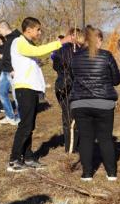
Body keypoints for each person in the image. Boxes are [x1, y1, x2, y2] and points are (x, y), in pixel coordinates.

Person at [7, 17, 73, 172]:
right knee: (25, 125)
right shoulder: (19, 41)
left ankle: (28, 157)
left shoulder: (28, 43)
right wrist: (61, 42)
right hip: (24, 88)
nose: (39, 32)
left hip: (31, 88)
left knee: (30, 125)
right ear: (28, 30)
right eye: (38, 29)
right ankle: (14, 159)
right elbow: (37, 52)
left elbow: (34, 58)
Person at [69, 26, 120, 181]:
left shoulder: (75, 57)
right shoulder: (106, 56)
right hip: (104, 102)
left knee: (85, 138)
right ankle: (111, 173)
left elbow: (73, 78)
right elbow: (117, 79)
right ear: (97, 40)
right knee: (105, 138)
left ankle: (87, 174)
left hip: (80, 102)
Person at [52, 28, 82, 152]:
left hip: (71, 86)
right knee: (70, 117)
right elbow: (56, 65)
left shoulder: (80, 50)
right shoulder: (63, 50)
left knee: (72, 117)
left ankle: (73, 146)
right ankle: (71, 147)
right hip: (66, 86)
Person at [0, 21, 19, 125]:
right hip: (5, 71)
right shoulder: (8, 39)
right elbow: (9, 54)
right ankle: (10, 116)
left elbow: (18, 54)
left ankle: (19, 118)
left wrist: (14, 68)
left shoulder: (16, 38)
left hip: (13, 71)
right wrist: (2, 57)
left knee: (16, 96)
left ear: (4, 28)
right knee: (1, 93)